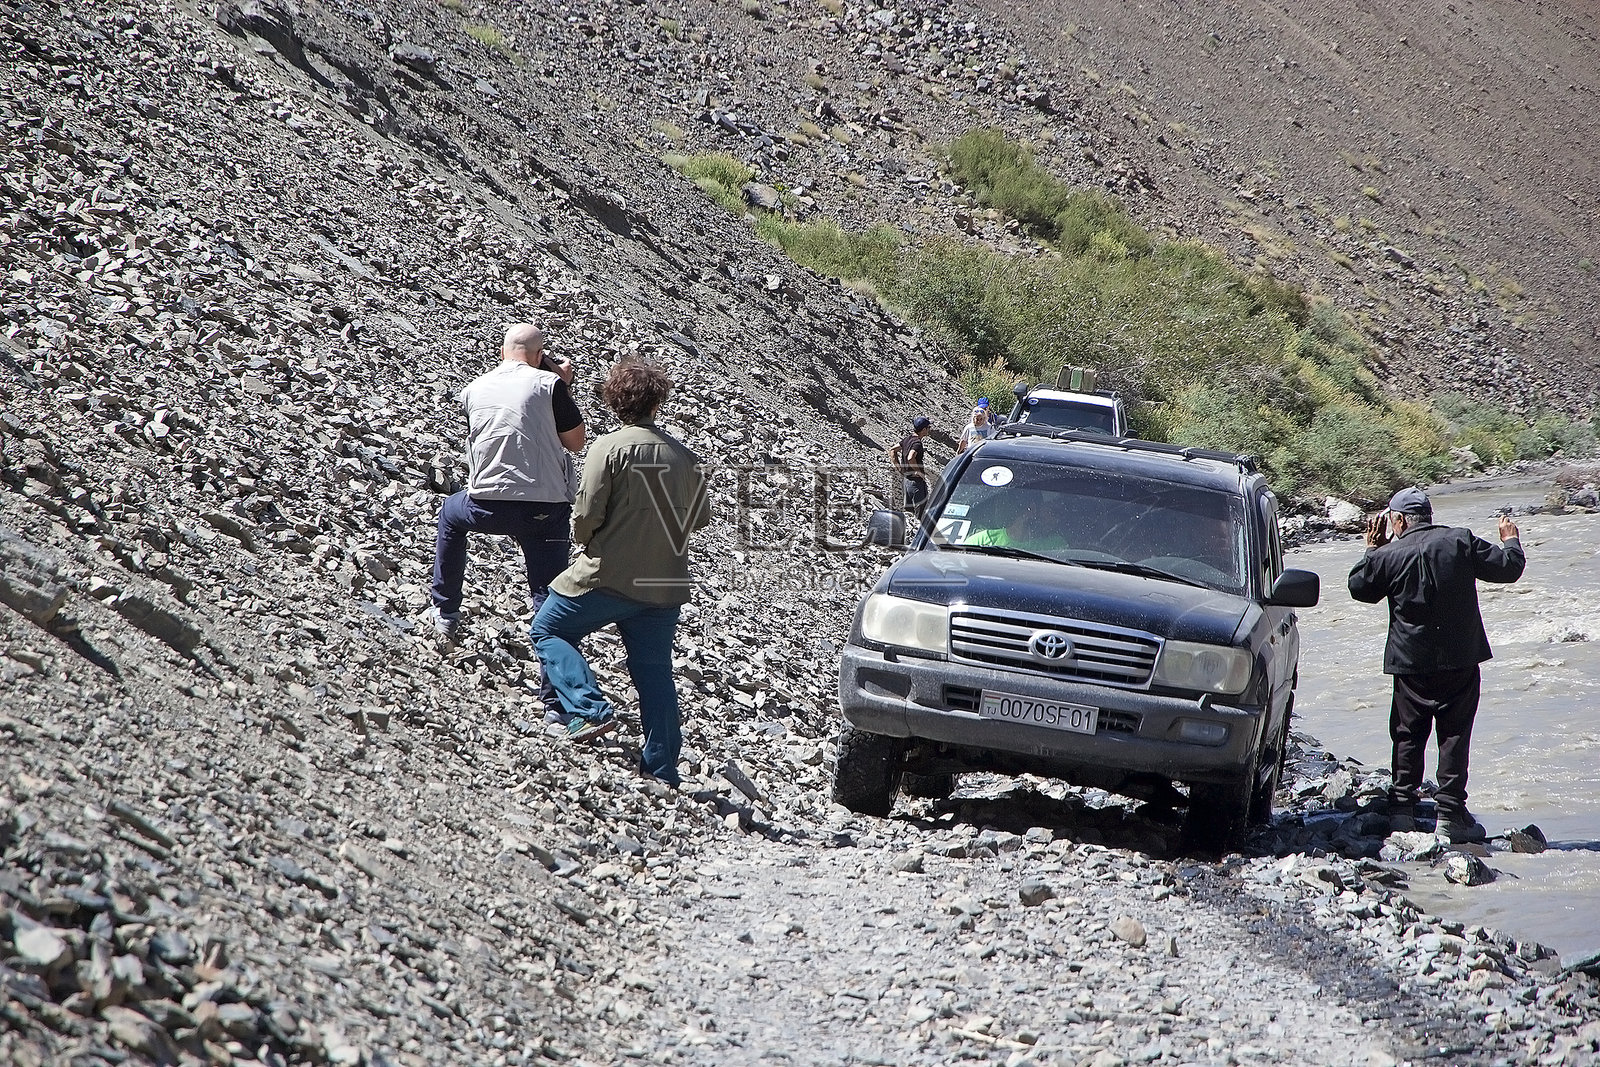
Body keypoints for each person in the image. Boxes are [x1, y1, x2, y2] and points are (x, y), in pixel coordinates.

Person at [530, 360, 710, 786]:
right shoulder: (687, 458)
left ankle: (588, 709)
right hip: (664, 584)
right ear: (657, 402)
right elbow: (699, 519)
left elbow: (587, 512)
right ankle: (661, 770)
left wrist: (586, 538)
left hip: (607, 575)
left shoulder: (609, 447)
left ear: (615, 401)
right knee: (655, 674)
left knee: (548, 629)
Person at [425, 323, 586, 721]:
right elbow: (576, 442)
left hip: (486, 504)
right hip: (543, 510)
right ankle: (555, 706)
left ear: (502, 351)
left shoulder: (474, 389)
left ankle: (445, 612)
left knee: (450, 514)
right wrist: (560, 383)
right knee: (548, 597)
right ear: (538, 355)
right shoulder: (550, 386)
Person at [1347, 486, 1525, 842]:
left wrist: (1372, 547)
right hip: (1460, 660)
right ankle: (1450, 815)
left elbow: (1359, 587)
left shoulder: (1389, 555)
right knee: (1455, 735)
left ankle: (1401, 810)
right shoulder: (1460, 542)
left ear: (1397, 521)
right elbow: (1510, 569)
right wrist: (1510, 541)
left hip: (1410, 664)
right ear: (1428, 516)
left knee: (1407, 733)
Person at [891, 416, 933, 516]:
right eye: (928, 427)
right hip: (916, 482)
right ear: (924, 429)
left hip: (906, 481)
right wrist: (918, 471)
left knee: (908, 513)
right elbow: (911, 457)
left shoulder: (907, 439)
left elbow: (892, 450)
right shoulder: (917, 443)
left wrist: (899, 468)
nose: (929, 429)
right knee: (920, 514)